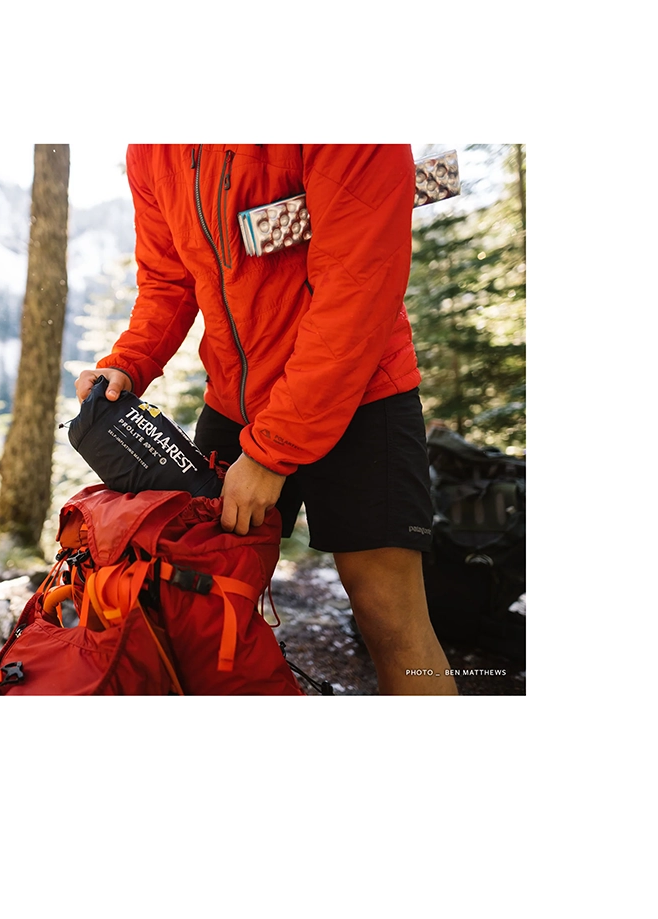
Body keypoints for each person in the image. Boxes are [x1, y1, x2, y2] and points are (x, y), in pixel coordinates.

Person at [75, 145, 456, 695]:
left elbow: (358, 288)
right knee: (199, 609)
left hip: (362, 395)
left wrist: (272, 452)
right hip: (234, 404)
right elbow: (167, 279)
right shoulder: (152, 149)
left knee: (390, 618)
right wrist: (130, 362)